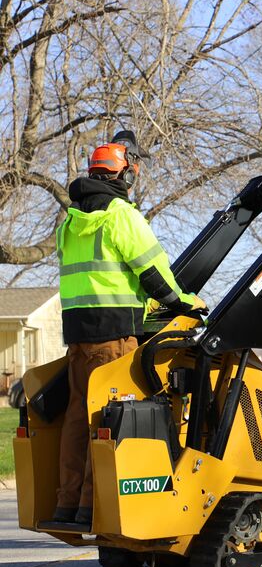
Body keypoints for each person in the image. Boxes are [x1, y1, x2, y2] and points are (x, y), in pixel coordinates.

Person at [53, 131, 206, 525]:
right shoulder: (122, 216)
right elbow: (153, 273)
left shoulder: (69, 223)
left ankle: (67, 503)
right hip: (115, 337)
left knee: (76, 417)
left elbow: (97, 277)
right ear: (125, 175)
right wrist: (181, 303)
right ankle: (93, 505)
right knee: (105, 418)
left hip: (79, 337)